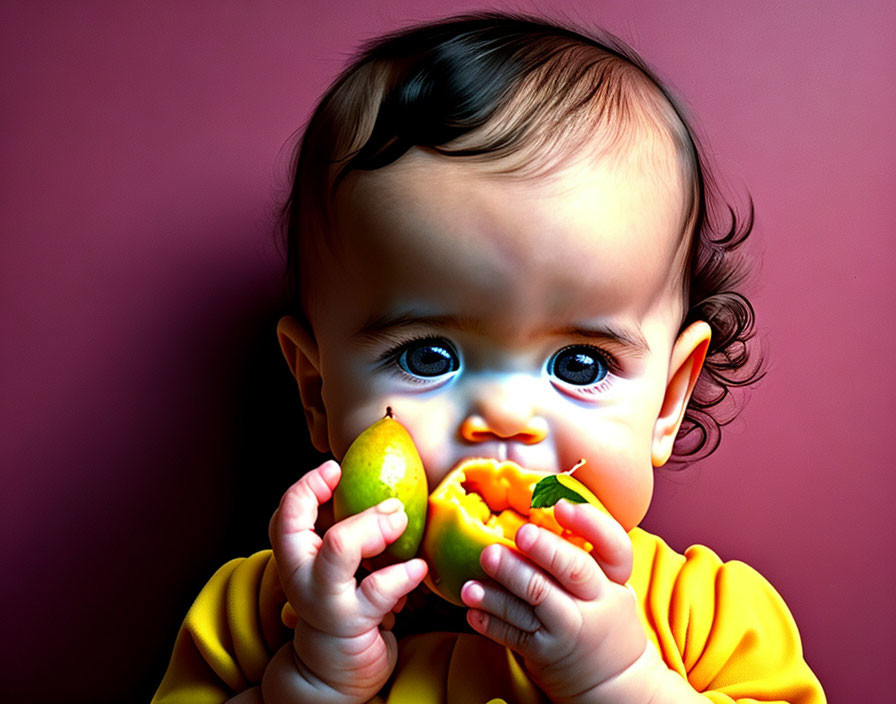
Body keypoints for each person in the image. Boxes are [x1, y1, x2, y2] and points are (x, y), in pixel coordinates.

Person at [153, 13, 825, 703]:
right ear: (318, 392)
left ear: (668, 400)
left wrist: (622, 681)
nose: (503, 418)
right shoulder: (264, 617)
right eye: (427, 355)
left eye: (580, 365)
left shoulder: (706, 621)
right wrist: (309, 680)